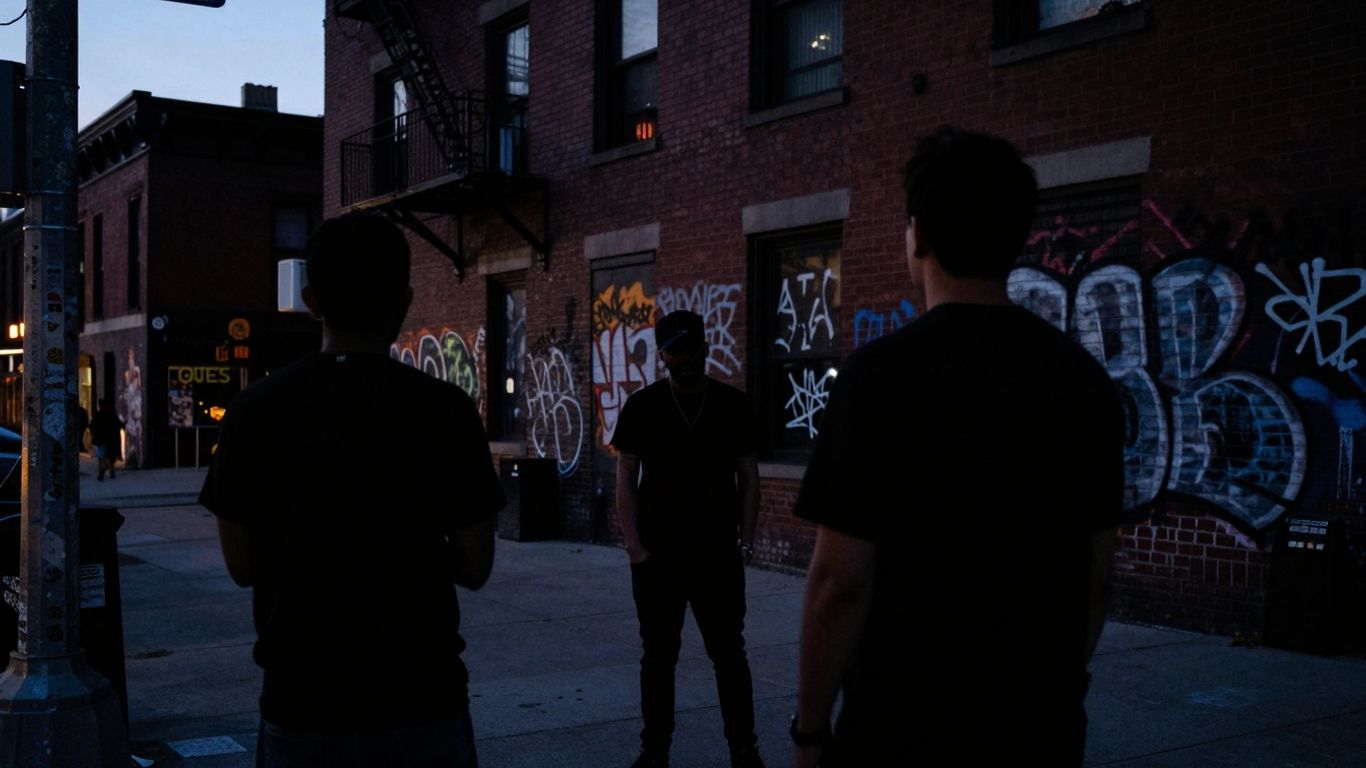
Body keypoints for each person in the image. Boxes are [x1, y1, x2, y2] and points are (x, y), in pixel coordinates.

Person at [789, 127, 1125, 767]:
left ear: (917, 234)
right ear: (1017, 236)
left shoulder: (879, 379)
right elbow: (1097, 577)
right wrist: (1050, 688)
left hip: (900, 729)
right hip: (1039, 730)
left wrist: (810, 731)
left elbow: (840, 582)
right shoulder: (1084, 382)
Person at [200, 213, 505, 768]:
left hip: (302, 701)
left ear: (312, 300)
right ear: (405, 300)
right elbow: (475, 565)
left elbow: (242, 566)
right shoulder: (446, 411)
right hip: (422, 698)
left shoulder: (253, 412)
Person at [612, 310, 766, 768]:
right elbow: (625, 475)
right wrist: (634, 546)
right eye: (676, 350)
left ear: (706, 348)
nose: (686, 357)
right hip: (658, 557)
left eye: (693, 348)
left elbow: (749, 477)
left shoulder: (732, 405)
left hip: (718, 554)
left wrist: (746, 542)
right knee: (658, 658)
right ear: (662, 354)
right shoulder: (642, 407)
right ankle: (654, 752)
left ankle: (744, 750)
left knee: (729, 656)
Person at [90, 398, 124, 481]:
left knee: (101, 457)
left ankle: (101, 473)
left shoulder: (98, 415)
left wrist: (94, 434)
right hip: (111, 439)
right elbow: (119, 424)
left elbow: (91, 426)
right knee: (109, 456)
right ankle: (111, 471)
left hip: (101, 439)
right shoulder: (112, 414)